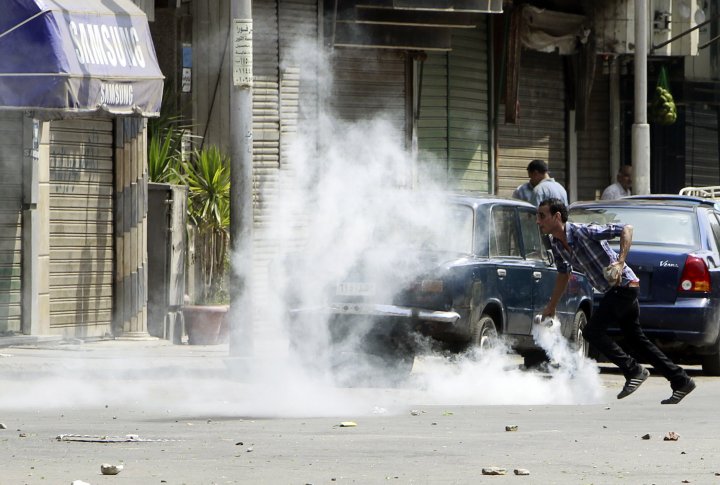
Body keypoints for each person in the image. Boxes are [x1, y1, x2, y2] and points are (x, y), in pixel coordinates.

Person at [536, 198, 696, 404]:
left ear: (557, 216)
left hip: (624, 287)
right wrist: (551, 306)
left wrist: (620, 262)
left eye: (542, 216)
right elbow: (563, 275)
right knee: (637, 340)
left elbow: (626, 229)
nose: (538, 222)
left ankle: (633, 370)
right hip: (618, 290)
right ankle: (681, 381)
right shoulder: (557, 245)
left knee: (592, 332)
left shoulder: (582, 231)